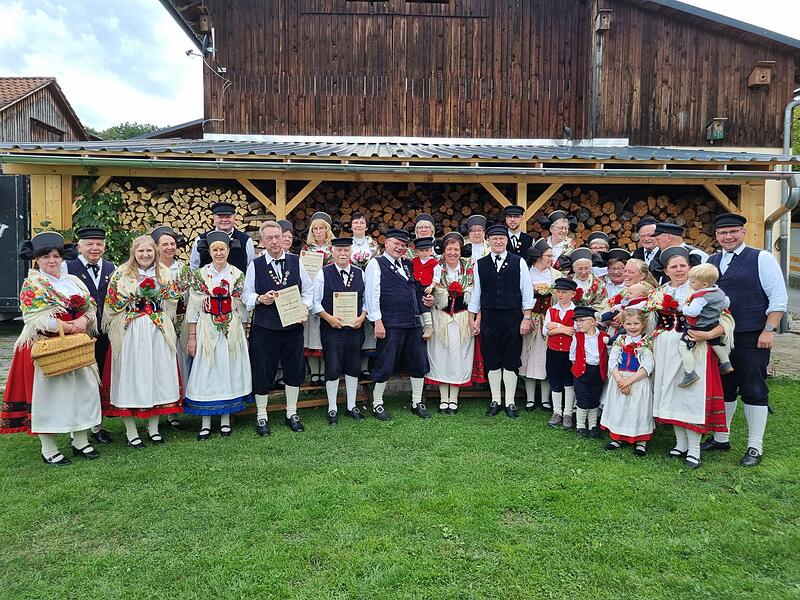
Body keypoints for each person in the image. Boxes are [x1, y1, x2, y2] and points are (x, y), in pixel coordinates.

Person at [1, 232, 102, 465]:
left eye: (56, 256)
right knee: (51, 398)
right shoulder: (33, 284)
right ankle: (49, 448)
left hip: (76, 345)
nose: (52, 261)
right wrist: (65, 325)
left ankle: (81, 441)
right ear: (36, 259)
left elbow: (91, 305)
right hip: (48, 348)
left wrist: (84, 320)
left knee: (82, 393)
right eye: (45, 257)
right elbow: (33, 317)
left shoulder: (72, 281)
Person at [704, 213, 787, 467]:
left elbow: (778, 297)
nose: (728, 237)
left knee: (753, 388)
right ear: (716, 236)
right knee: (725, 387)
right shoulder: (712, 260)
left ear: (742, 232)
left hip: (752, 334)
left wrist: (769, 330)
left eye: (733, 232)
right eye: (722, 233)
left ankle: (754, 446)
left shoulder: (761, 258)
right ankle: (721, 437)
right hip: (721, 336)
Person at [651, 246, 727, 470]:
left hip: (694, 348)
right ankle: (680, 443)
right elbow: (648, 316)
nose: (679, 270)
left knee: (690, 397)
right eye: (673, 266)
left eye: (683, 265)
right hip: (665, 349)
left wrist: (709, 334)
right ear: (666, 270)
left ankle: (694, 449)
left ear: (690, 267)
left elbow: (726, 319)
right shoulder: (660, 291)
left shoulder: (705, 290)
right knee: (671, 394)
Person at [103, 235, 182, 448]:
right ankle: (131, 431)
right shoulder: (121, 273)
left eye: (149, 251)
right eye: (141, 252)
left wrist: (159, 294)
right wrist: (134, 296)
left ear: (155, 252)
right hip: (132, 329)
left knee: (157, 374)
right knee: (131, 375)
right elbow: (111, 302)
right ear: (134, 253)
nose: (145, 255)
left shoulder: (164, 272)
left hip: (157, 328)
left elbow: (173, 298)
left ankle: (153, 428)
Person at [244, 221, 314, 434]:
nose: (274, 242)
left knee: (294, 369)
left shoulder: (295, 261)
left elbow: (309, 290)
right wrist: (259, 298)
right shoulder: (255, 265)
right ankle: (262, 415)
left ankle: (291, 413)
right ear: (262, 241)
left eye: (277, 237)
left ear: (283, 237)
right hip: (265, 327)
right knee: (263, 370)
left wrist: (304, 306)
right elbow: (246, 294)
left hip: (293, 326)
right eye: (269, 238)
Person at [184, 231, 252, 440]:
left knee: (228, 370)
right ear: (210, 251)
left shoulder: (237, 274)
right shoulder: (200, 275)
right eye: (215, 249)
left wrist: (245, 331)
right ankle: (205, 422)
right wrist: (192, 336)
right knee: (208, 370)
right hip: (207, 328)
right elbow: (193, 308)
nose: (219, 253)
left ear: (228, 250)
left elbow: (243, 306)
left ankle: (225, 420)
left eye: (222, 249)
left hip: (231, 329)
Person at [364, 228, 434, 420]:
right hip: (390, 323)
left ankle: (417, 402)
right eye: (396, 244)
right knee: (385, 363)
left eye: (403, 245)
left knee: (419, 362)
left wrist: (426, 301)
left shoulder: (408, 264)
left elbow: (417, 291)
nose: (400, 248)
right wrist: (377, 320)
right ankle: (377, 403)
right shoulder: (375, 264)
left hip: (413, 322)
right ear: (386, 243)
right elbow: (371, 294)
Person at [468, 224, 534, 419]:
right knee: (492, 359)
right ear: (489, 240)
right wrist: (473, 318)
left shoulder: (519, 262)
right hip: (489, 316)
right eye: (494, 238)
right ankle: (495, 400)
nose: (498, 241)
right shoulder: (480, 263)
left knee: (511, 359)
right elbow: (476, 293)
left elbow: (527, 291)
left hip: (513, 316)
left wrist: (527, 317)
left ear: (506, 241)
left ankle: (510, 402)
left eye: (502, 238)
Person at [65, 226, 115, 445]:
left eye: (99, 244)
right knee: (79, 379)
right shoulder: (68, 267)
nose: (95, 248)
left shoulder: (112, 268)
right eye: (89, 244)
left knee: (101, 379)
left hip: (105, 333)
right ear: (80, 246)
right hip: (79, 333)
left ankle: (97, 426)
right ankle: (75, 428)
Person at [312, 237, 367, 424]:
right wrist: (329, 318)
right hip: (332, 328)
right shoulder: (323, 273)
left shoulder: (360, 273)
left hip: (355, 328)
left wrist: (363, 316)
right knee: (333, 366)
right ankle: (332, 408)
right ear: (332, 252)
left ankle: (352, 406)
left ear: (351, 252)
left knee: (353, 365)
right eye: (339, 251)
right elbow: (315, 303)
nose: (342, 254)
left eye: (346, 250)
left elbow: (367, 300)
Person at [425, 232, 477, 414]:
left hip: (462, 318)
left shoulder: (469, 266)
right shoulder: (436, 266)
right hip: (441, 316)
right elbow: (430, 287)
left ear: (461, 250)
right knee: (440, 355)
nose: (453, 253)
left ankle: (453, 398)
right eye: (449, 249)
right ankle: (443, 398)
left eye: (456, 249)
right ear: (444, 250)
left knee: (458, 356)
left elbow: (475, 291)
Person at [600, 308, 655, 456]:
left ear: (643, 324)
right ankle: (617, 437)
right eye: (628, 324)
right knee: (620, 408)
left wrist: (629, 381)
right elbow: (612, 362)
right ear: (623, 324)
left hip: (637, 380)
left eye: (636, 323)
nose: (632, 327)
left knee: (637, 409)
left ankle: (640, 441)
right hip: (620, 378)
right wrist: (620, 381)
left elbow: (648, 365)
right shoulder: (620, 340)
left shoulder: (646, 342)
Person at [152, 225, 191, 431]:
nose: (169, 247)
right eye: (164, 244)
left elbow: (189, 295)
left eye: (172, 244)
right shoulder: (152, 269)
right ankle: (161, 407)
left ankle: (176, 409)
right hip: (159, 322)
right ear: (156, 247)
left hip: (181, 321)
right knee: (162, 363)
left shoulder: (182, 268)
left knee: (181, 362)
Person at [678, 263, 733, 388]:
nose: (690, 284)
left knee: (684, 347)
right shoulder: (719, 291)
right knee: (715, 342)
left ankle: (690, 373)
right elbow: (726, 303)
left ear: (704, 284)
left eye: (692, 282)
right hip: (713, 324)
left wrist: (684, 307)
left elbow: (693, 312)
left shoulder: (700, 296)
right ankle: (726, 362)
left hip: (697, 326)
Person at [521, 239, 560, 411]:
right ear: (539, 257)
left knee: (545, 358)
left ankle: (545, 399)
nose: (552, 258)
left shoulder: (556, 275)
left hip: (548, 321)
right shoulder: (526, 273)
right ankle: (530, 398)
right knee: (528, 357)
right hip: (530, 319)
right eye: (549, 255)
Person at [303, 211, 335, 385]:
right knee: (312, 333)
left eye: (321, 228)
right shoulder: (307, 250)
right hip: (312, 292)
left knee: (326, 332)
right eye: (315, 228)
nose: (318, 231)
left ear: (327, 230)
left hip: (329, 292)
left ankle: (325, 370)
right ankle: (315, 372)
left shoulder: (333, 249)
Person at [349, 211, 381, 379]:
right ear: (351, 225)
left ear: (367, 226)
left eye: (362, 223)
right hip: (350, 284)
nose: (359, 225)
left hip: (368, 283)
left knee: (367, 323)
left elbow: (377, 263)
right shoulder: (347, 243)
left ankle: (364, 366)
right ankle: (351, 363)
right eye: (356, 222)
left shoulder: (373, 245)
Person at [569, 306, 609, 438]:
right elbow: (573, 355)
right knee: (582, 398)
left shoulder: (604, 337)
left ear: (593, 322)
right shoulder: (578, 337)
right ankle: (580, 426)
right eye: (577, 321)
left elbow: (607, 354)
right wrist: (578, 367)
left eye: (581, 320)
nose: (578, 324)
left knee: (594, 398)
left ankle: (592, 426)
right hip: (582, 372)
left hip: (597, 372)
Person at [542, 278, 577, 428]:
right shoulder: (551, 310)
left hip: (570, 352)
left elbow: (575, 331)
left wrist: (556, 327)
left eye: (564, 292)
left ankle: (568, 412)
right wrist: (563, 328)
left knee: (569, 382)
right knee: (555, 380)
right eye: (558, 292)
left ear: (573, 294)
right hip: (554, 351)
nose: (560, 295)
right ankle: (557, 412)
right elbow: (546, 331)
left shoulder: (575, 311)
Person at [190, 201, 256, 274]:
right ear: (214, 218)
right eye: (220, 216)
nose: (224, 220)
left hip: (237, 284)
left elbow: (251, 268)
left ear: (234, 218)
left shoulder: (246, 241)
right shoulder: (201, 240)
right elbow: (194, 267)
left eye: (228, 217)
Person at [411, 236, 436, 340]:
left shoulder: (434, 263)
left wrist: (432, 286)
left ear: (431, 250)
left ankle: (428, 325)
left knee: (424, 303)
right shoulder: (414, 261)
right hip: (416, 285)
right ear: (416, 251)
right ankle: (420, 326)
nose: (424, 253)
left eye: (427, 250)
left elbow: (437, 276)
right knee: (416, 303)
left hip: (426, 286)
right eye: (421, 251)